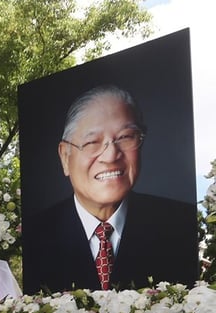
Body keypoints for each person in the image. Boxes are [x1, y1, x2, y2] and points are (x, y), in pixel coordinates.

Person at [22, 85, 198, 294]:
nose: (111, 155)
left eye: (125, 137)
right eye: (92, 142)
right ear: (65, 156)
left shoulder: (182, 224)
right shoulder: (32, 237)